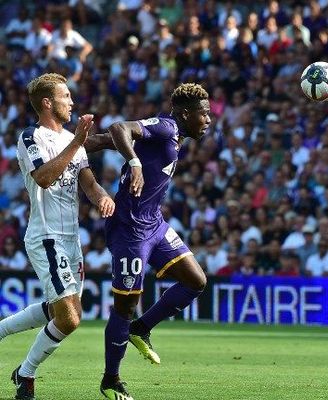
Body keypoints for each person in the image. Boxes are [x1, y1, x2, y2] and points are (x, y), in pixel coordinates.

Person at [0, 73, 114, 400]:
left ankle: (9, 345)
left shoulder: (72, 141)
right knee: (70, 318)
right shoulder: (30, 137)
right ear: (48, 103)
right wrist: (77, 140)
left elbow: (88, 182)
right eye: (66, 96)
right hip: (46, 235)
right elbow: (45, 178)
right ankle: (26, 372)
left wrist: (103, 197)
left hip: (71, 238)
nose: (72, 102)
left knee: (60, 312)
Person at [98, 83, 211, 400]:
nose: (209, 121)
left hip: (155, 224)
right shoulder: (166, 127)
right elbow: (119, 127)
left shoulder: (174, 136)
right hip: (130, 230)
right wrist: (133, 163)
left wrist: (81, 144)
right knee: (125, 306)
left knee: (195, 280)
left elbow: (107, 140)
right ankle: (111, 380)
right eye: (205, 115)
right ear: (187, 114)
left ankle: (141, 328)